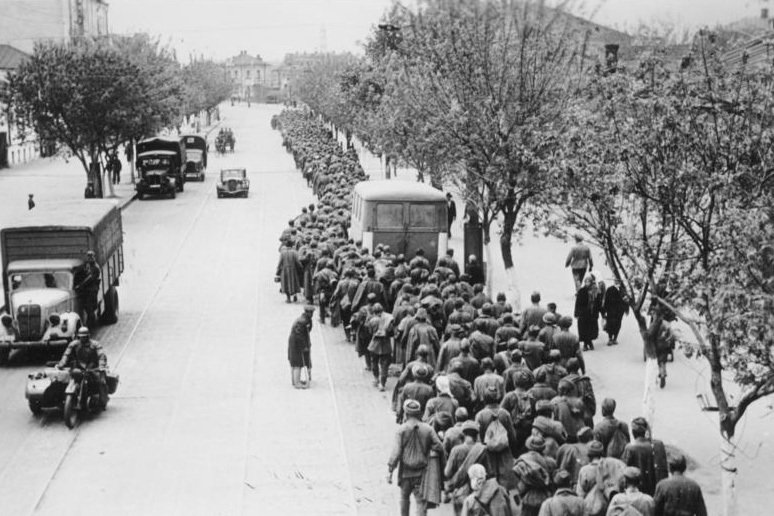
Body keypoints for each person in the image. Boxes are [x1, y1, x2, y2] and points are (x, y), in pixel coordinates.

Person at [388, 399, 444, 516]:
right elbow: (439, 447)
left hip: (405, 473)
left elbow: (396, 452)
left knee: (404, 498)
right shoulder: (428, 429)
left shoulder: (401, 430)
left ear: (406, 413)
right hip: (422, 473)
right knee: (420, 502)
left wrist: (390, 471)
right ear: (419, 413)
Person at [56, 326, 108, 408]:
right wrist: (61, 364)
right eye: (81, 337)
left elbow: (101, 356)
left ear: (88, 336)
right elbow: (66, 354)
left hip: (92, 368)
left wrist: (101, 367)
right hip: (78, 368)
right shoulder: (74, 344)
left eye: (84, 337)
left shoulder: (95, 344)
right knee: (65, 380)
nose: (82, 339)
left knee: (101, 382)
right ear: (78, 337)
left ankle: (103, 401)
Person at [621, 417, 668, 496]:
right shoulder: (654, 446)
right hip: (651, 489)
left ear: (633, 432)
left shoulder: (630, 447)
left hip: (635, 489)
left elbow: (624, 469)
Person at [288, 306, 315, 388]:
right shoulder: (303, 321)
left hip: (294, 343)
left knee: (295, 362)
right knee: (297, 363)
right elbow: (299, 335)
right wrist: (304, 346)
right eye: (311, 313)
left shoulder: (304, 319)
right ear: (308, 312)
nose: (312, 314)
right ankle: (297, 383)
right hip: (296, 344)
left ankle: (294, 381)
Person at [574, 274, 602, 351]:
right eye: (585, 281)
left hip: (592, 314)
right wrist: (576, 313)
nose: (587, 283)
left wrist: (602, 312)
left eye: (588, 281)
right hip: (583, 314)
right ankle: (587, 344)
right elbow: (577, 303)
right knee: (583, 329)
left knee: (591, 329)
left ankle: (588, 343)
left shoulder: (596, 291)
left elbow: (598, 303)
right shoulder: (582, 291)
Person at [74, 250, 101, 327]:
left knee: (90, 308)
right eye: (89, 256)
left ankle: (91, 325)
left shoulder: (96, 268)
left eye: (92, 256)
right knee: (86, 307)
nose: (90, 258)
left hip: (92, 290)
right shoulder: (87, 265)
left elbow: (90, 278)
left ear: (94, 257)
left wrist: (80, 285)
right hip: (86, 289)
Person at [601, 279, 628, 345]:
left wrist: (626, 309)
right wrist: (604, 310)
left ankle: (615, 338)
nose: (617, 282)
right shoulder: (610, 289)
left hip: (619, 311)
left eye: (618, 281)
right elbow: (606, 300)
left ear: (620, 282)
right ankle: (610, 338)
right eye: (616, 281)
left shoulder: (623, 290)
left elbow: (626, 300)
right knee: (610, 324)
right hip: (611, 310)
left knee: (618, 324)